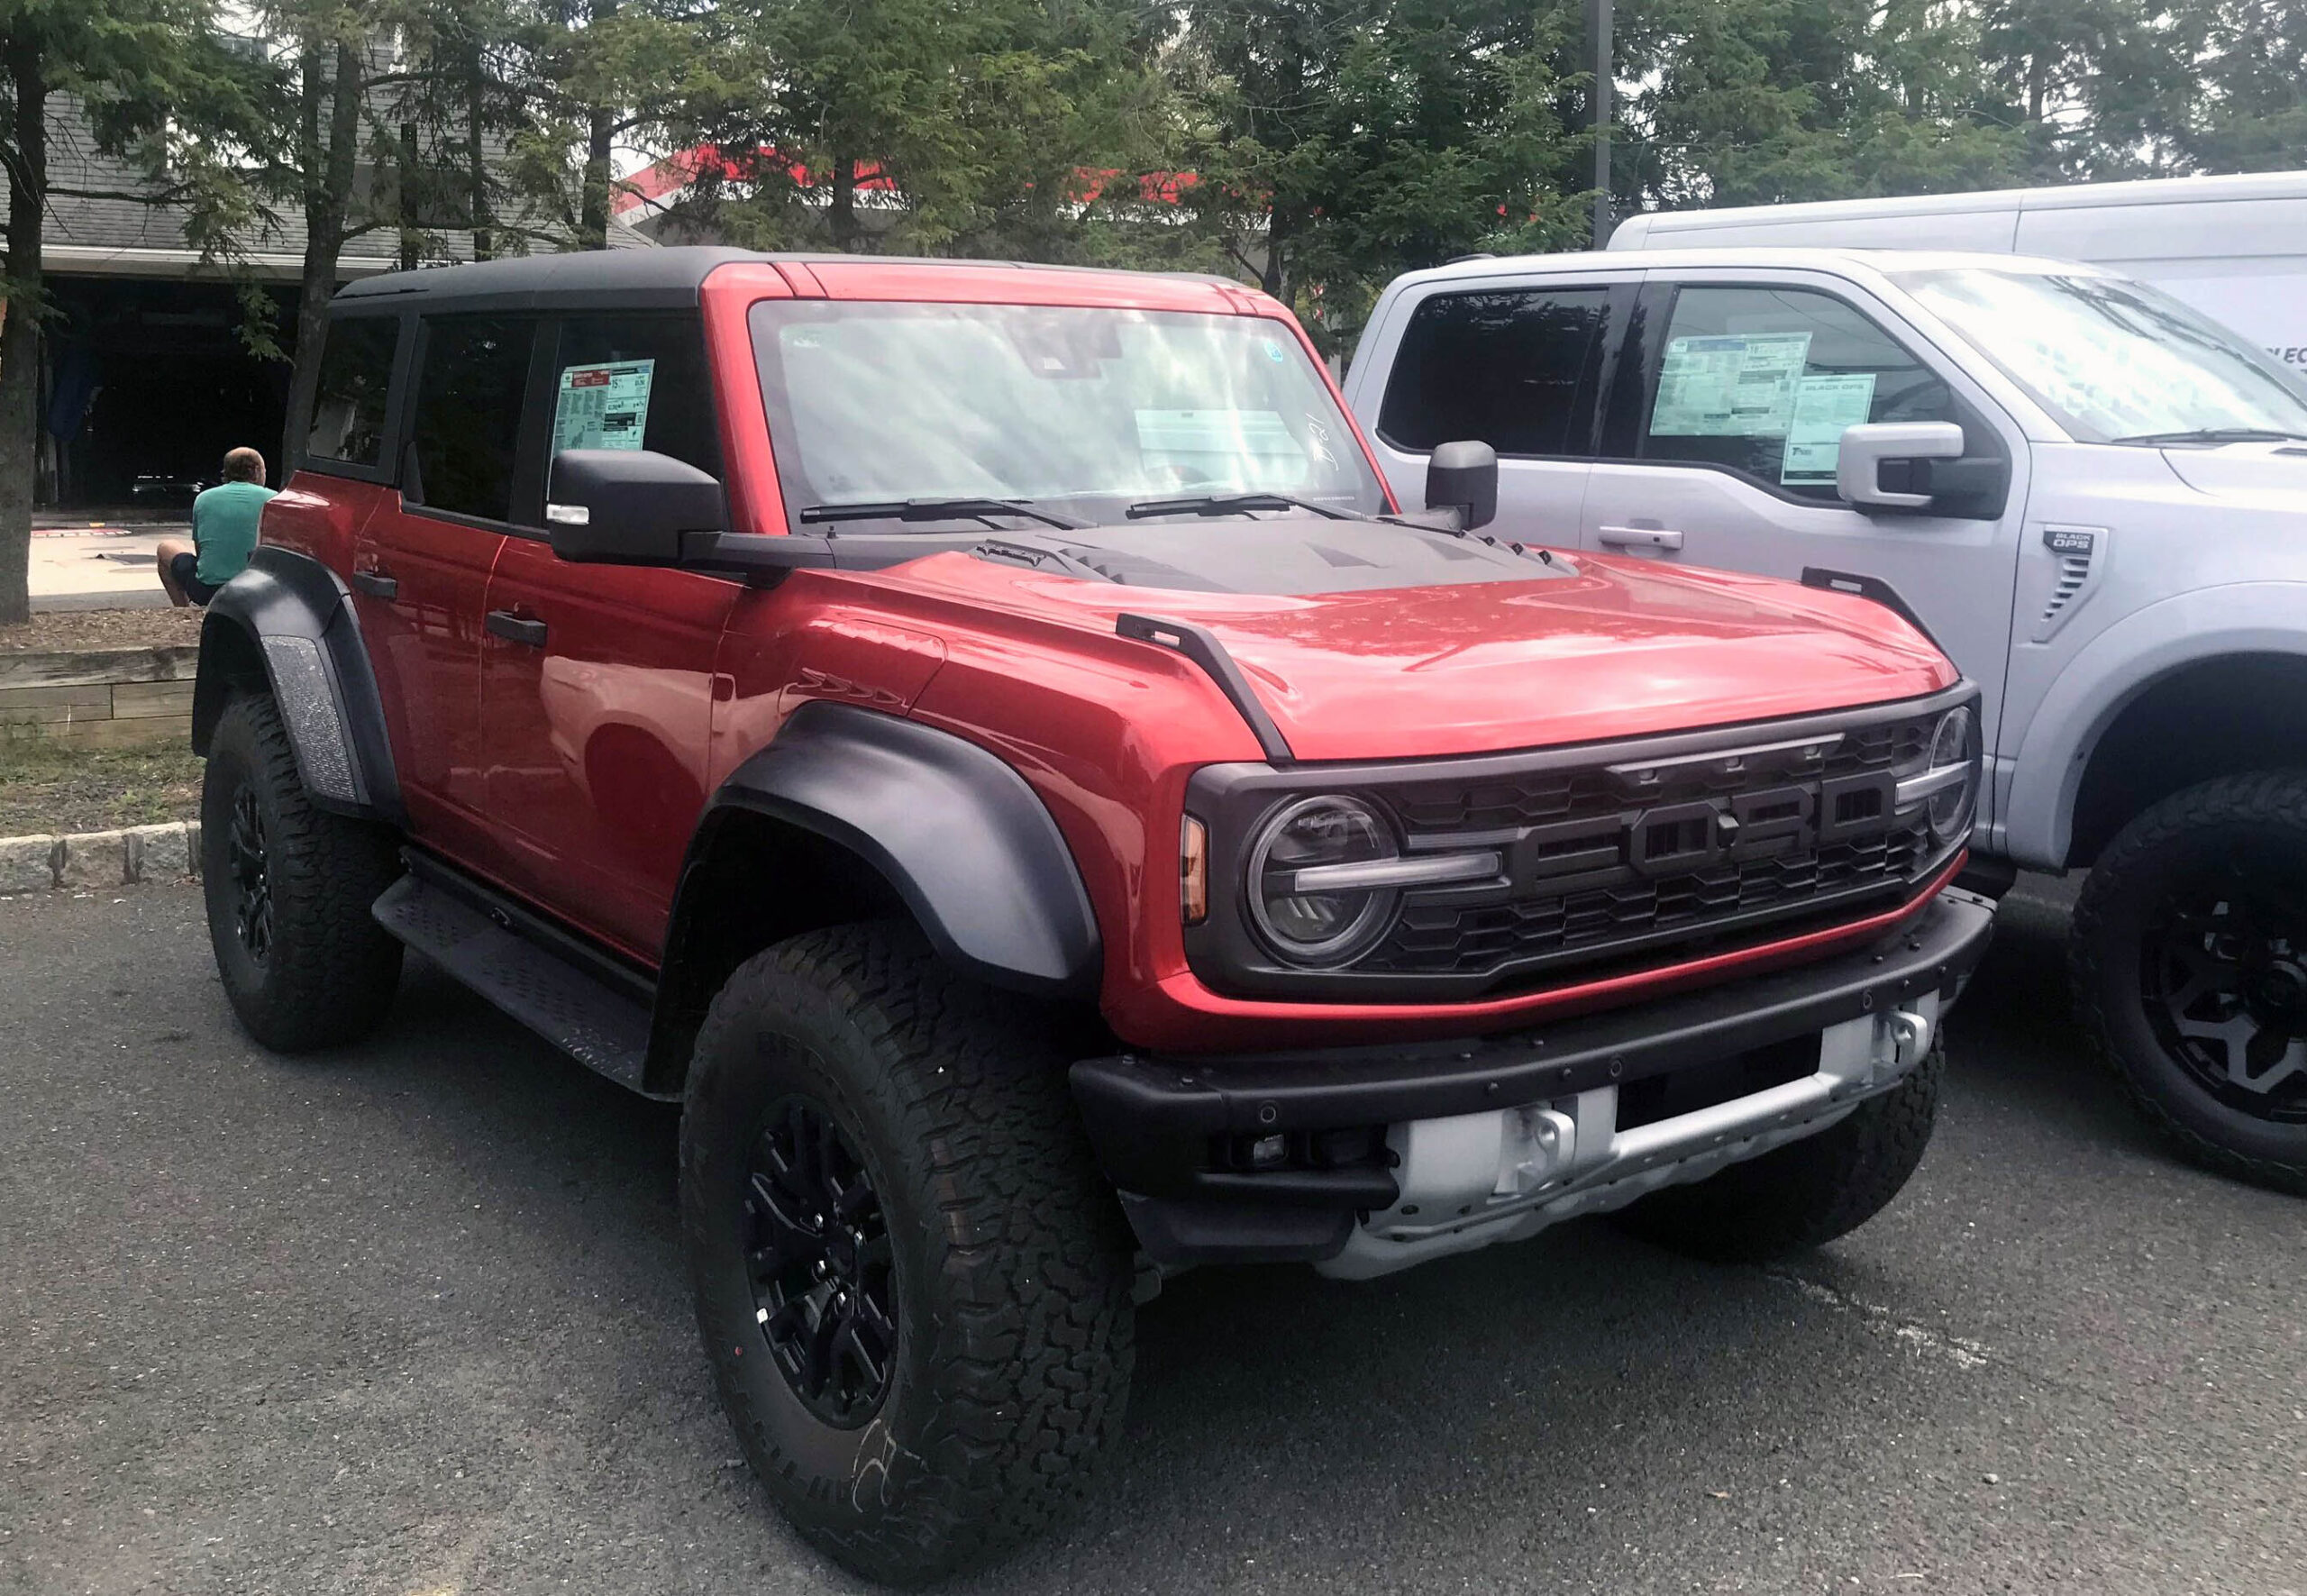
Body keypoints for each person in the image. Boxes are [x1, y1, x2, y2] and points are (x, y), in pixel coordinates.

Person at [157, 448, 277, 606]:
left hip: (209, 592)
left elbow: (201, 552)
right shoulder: (275, 500)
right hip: (260, 592)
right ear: (256, 471)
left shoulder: (203, 499)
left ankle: (183, 610)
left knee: (166, 548)